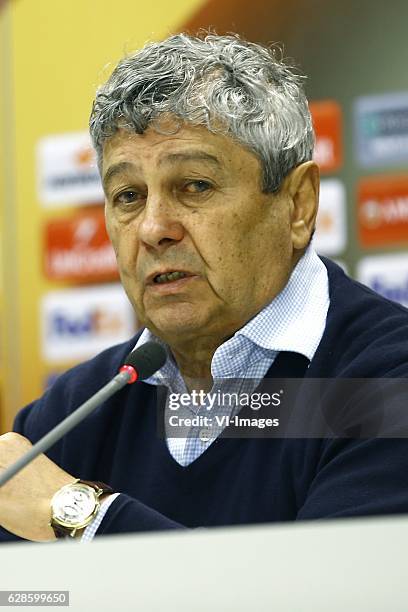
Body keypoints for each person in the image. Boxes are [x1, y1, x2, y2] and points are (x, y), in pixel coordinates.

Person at [1, 32, 408, 543]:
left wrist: (81, 517)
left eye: (194, 185)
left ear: (299, 204)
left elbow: (336, 595)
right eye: (128, 195)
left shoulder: (387, 381)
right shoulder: (76, 409)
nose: (153, 228)